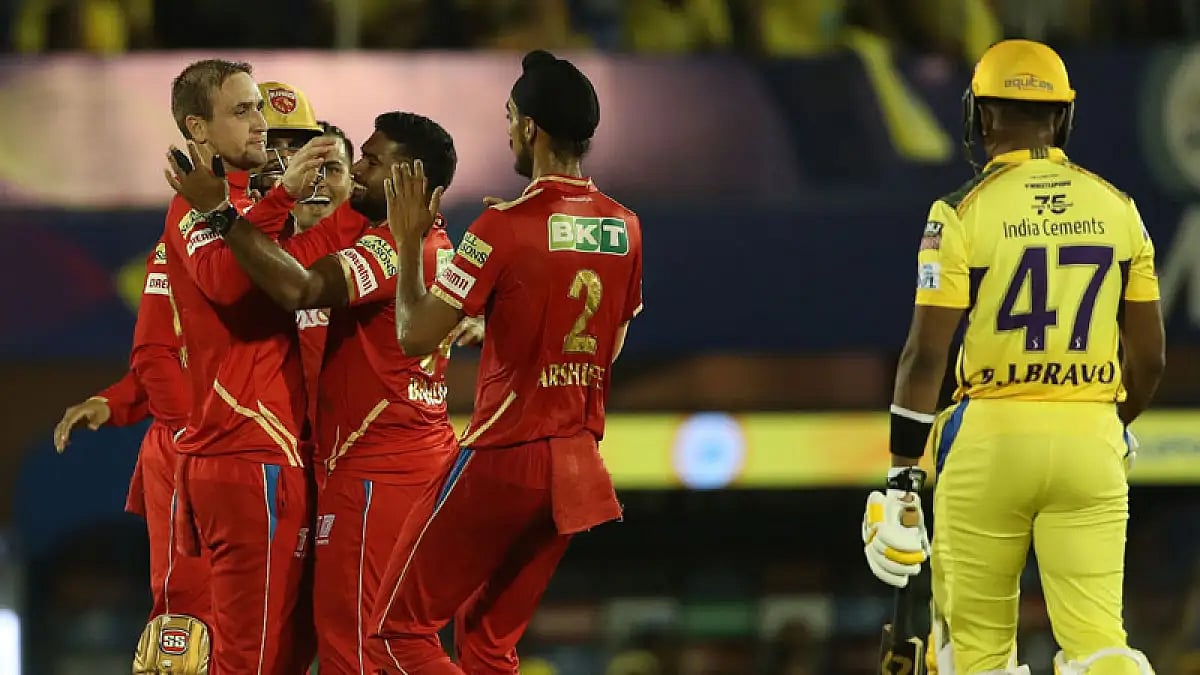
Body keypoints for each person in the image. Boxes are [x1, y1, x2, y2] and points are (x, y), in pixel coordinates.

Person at [860, 40, 1165, 675]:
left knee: (976, 655)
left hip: (989, 441)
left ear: (982, 117)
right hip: (1090, 436)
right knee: (1101, 642)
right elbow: (1152, 358)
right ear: (1062, 118)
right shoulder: (1119, 210)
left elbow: (924, 357)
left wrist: (901, 474)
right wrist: (1116, 422)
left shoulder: (959, 212)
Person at [164, 110, 475, 674]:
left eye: (372, 161)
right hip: (379, 462)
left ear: (410, 179)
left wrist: (218, 213)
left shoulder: (399, 250)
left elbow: (300, 286)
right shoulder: (417, 246)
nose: (358, 170)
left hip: (383, 470)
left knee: (363, 646)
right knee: (369, 642)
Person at [368, 49, 644, 674]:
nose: (508, 130)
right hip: (576, 466)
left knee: (396, 632)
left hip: (506, 454)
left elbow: (412, 336)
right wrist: (500, 312)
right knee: (488, 644)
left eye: (510, 117)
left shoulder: (501, 225)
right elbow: (610, 344)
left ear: (531, 130)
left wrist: (409, 243)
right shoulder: (626, 226)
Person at [157, 58, 333, 674]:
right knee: (250, 658)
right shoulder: (194, 208)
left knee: (283, 653)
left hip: (271, 452)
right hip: (243, 451)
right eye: (242, 111)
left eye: (257, 107)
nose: (260, 123)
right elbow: (228, 284)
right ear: (197, 130)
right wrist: (280, 197)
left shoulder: (243, 206)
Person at [51, 237, 213, 670]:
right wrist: (113, 401)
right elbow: (161, 360)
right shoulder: (178, 247)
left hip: (284, 452)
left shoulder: (293, 241)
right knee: (187, 607)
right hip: (191, 455)